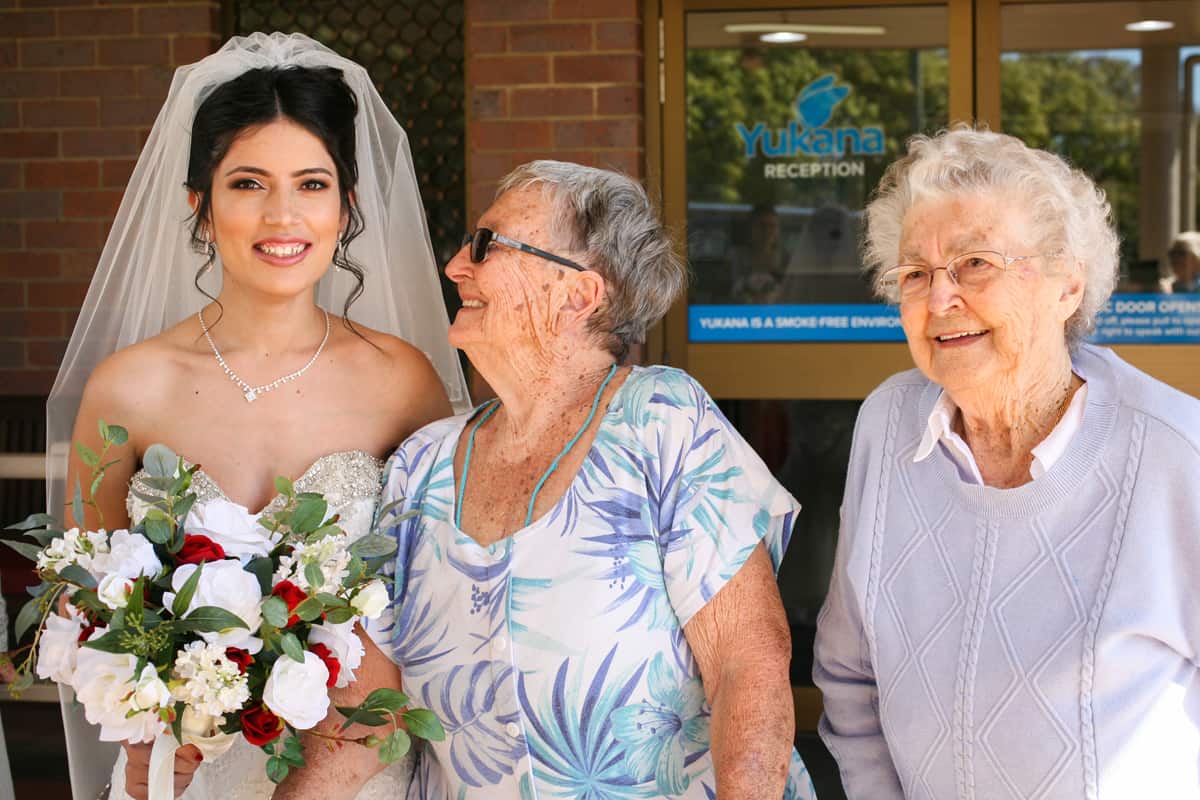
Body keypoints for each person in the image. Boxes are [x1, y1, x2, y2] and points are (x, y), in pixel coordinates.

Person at [276, 161, 818, 799]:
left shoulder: (660, 421)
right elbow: (367, 716)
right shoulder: (420, 466)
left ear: (578, 294)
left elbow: (746, 665)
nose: (456, 265)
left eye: (486, 245)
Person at [45, 32, 468, 800]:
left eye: (312, 184)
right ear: (198, 205)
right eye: (247, 183)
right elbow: (82, 600)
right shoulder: (127, 389)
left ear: (347, 206)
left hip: (350, 773)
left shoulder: (402, 382)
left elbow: (441, 604)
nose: (284, 216)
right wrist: (145, 721)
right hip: (171, 773)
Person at [814, 128, 1200, 798]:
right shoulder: (886, 425)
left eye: (975, 264)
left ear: (1066, 285)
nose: (940, 301)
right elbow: (850, 676)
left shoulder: (1175, 453)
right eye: (915, 274)